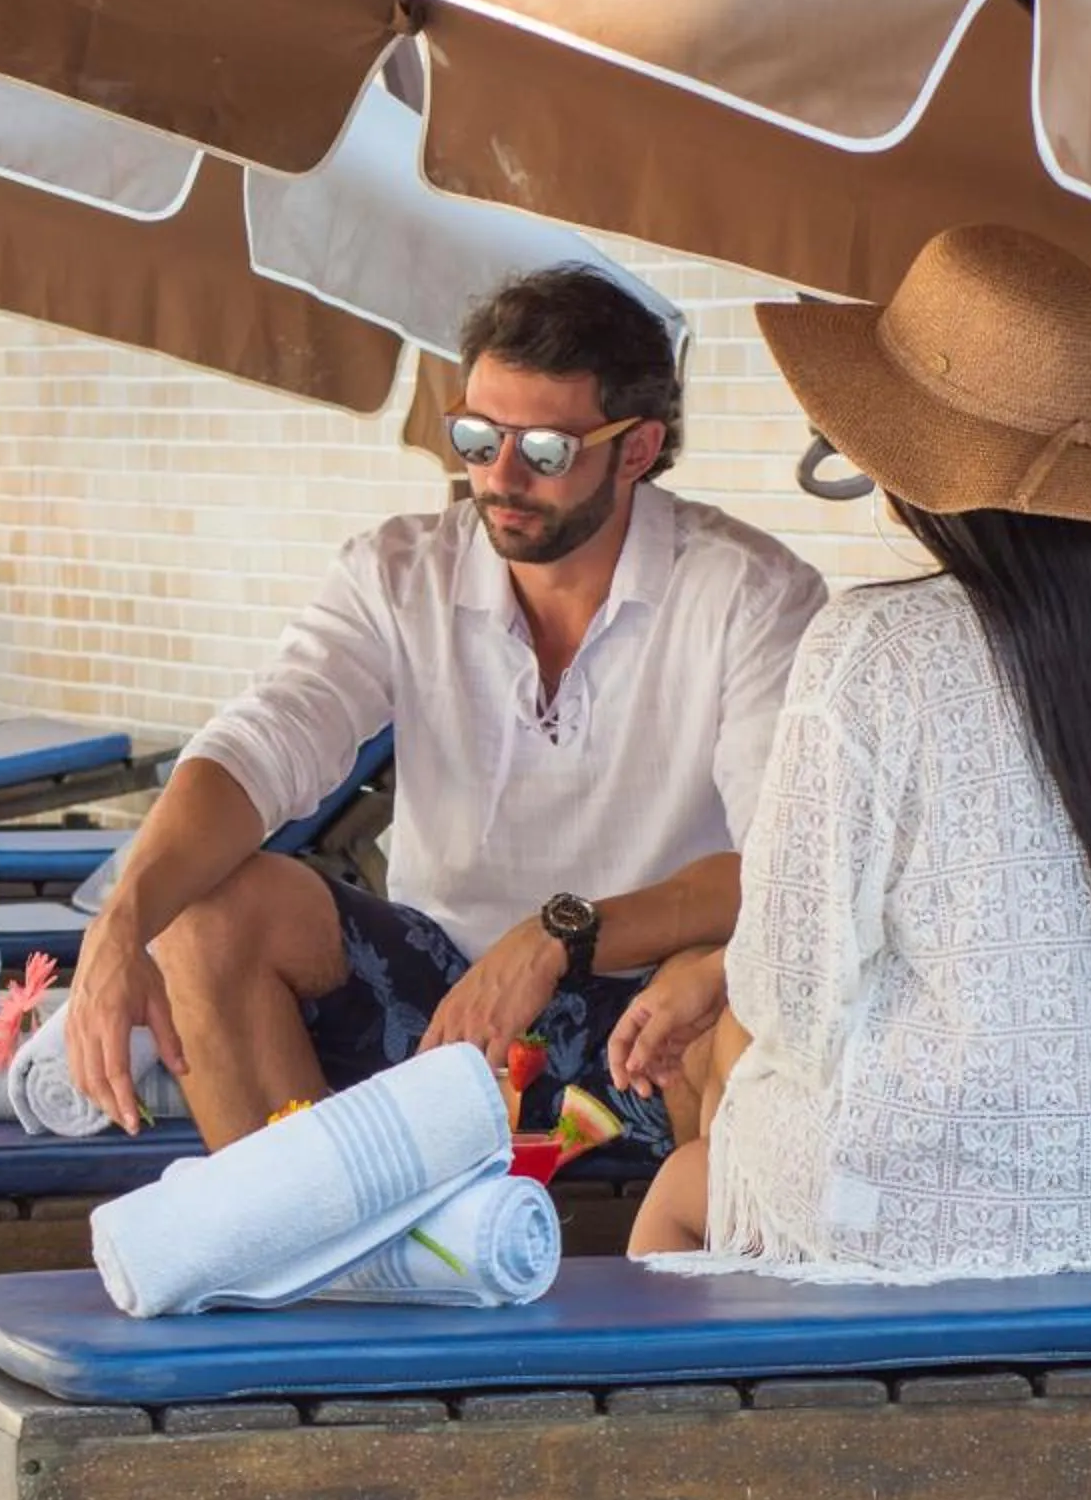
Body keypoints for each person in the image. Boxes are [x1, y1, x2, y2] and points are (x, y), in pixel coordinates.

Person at [64, 263, 828, 1159]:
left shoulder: (752, 594)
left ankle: (704, 1277)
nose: (498, 477)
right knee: (205, 917)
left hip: (652, 1012)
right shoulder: (396, 573)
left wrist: (557, 938)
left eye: (543, 450)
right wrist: (123, 922)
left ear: (636, 449)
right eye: (475, 436)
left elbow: (785, 867)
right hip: (439, 1003)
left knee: (742, 1002)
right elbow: (261, 742)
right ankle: (311, 1251)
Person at [626, 224, 1091, 1279]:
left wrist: (717, 980)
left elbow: (792, 994)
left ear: (902, 460)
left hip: (923, 1200)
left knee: (682, 1191)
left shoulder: (875, 644)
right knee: (737, 1078)